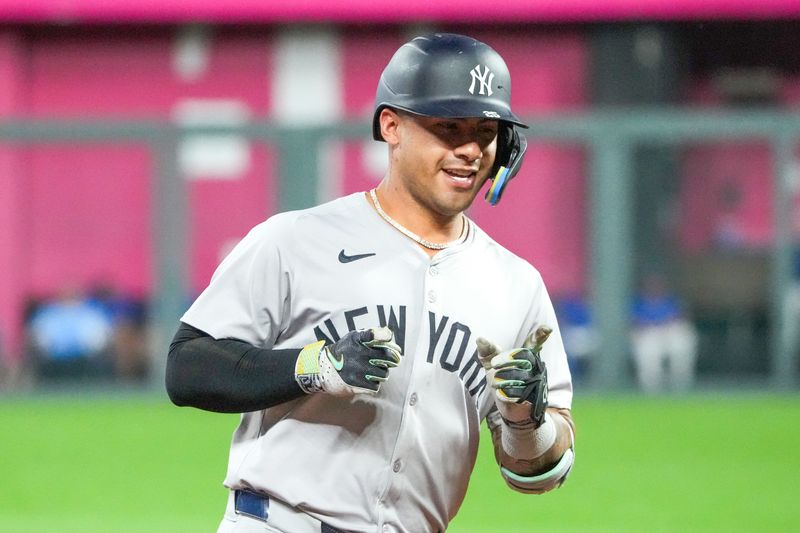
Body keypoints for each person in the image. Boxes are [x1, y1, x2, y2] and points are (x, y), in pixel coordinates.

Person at [167, 33, 575, 533]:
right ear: (391, 125)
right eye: (448, 127)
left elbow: (538, 475)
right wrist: (315, 365)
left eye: (486, 132)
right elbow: (187, 367)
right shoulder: (297, 239)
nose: (470, 150)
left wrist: (526, 420)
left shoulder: (517, 285)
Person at [630, 272, 699, 393]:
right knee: (648, 351)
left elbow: (682, 317)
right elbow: (634, 322)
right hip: (648, 334)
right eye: (651, 284)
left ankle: (680, 387)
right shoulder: (638, 302)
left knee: (682, 341)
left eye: (658, 284)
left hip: (669, 332)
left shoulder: (672, 300)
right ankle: (652, 390)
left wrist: (668, 322)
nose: (655, 287)